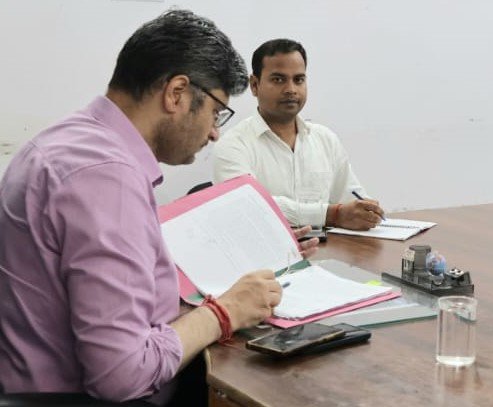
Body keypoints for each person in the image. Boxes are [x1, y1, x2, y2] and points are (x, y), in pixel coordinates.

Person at [0, 10, 317, 404]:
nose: (215, 133)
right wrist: (226, 311)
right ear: (176, 93)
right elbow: (121, 374)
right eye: (216, 112)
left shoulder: (71, 141)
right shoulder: (105, 178)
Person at [213, 38, 384, 231]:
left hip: (329, 249)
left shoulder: (325, 139)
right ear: (254, 85)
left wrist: (366, 212)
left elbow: (351, 197)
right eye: (278, 80)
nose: (291, 90)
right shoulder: (233, 145)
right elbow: (249, 206)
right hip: (265, 250)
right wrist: (333, 215)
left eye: (298, 80)